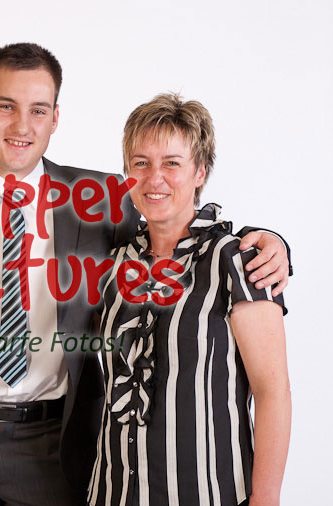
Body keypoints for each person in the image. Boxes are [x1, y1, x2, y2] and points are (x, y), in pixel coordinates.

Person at [0, 44, 290, 505]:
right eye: (6, 106)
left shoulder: (101, 201)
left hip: (56, 444)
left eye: (38, 110)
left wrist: (270, 241)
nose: (22, 125)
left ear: (55, 118)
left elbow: (174, 225)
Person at [87, 93, 291, 506]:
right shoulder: (111, 265)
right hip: (113, 493)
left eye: (171, 163)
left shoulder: (236, 261)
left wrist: (266, 498)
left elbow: (273, 392)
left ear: (200, 171)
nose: (154, 178)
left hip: (208, 493)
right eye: (140, 163)